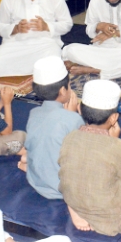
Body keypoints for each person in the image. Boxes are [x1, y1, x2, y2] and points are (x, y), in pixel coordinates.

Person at [59, 79, 121, 235]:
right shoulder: (119, 147)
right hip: (110, 218)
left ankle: (76, 209)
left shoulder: (69, 137)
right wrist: (113, 141)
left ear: (80, 109)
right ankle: (96, 217)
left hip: (75, 200)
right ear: (113, 118)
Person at [24, 56, 83, 199]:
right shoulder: (72, 119)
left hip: (35, 181)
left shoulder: (33, 113)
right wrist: (75, 116)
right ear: (63, 90)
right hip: (62, 188)